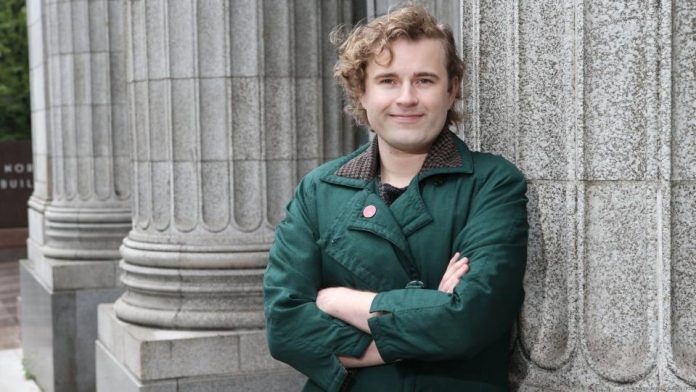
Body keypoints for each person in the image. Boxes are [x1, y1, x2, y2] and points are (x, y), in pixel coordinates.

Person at [263, 5, 528, 391]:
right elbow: (285, 328)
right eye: (388, 80)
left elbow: (470, 320)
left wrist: (339, 303)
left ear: (451, 88)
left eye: (424, 80)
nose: (406, 98)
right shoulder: (318, 190)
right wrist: (431, 311)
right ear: (361, 91)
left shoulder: (492, 182)